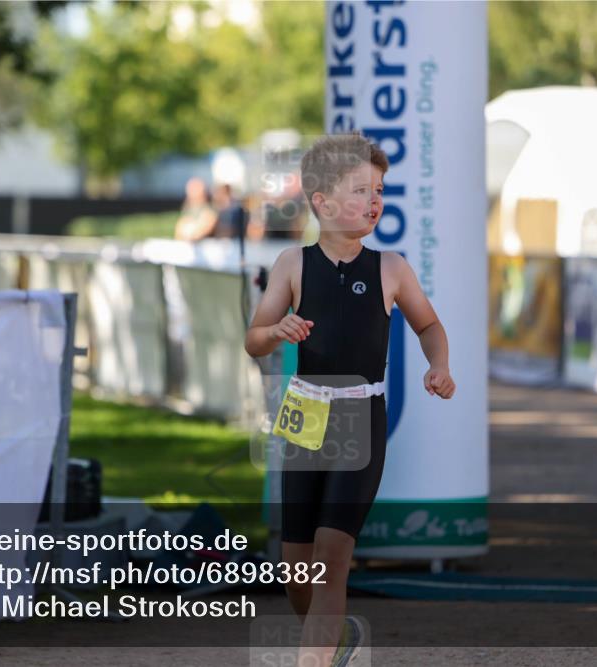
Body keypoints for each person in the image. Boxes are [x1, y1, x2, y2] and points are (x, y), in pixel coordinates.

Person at [244, 132, 456, 667]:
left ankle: (313, 661)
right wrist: (276, 332)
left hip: (361, 416)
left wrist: (440, 365)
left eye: (379, 189)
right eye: (362, 189)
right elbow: (254, 339)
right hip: (304, 415)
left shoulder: (392, 268)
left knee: (332, 558)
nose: (375, 200)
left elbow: (429, 325)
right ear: (322, 203)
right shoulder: (293, 264)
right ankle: (332, 642)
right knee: (296, 569)